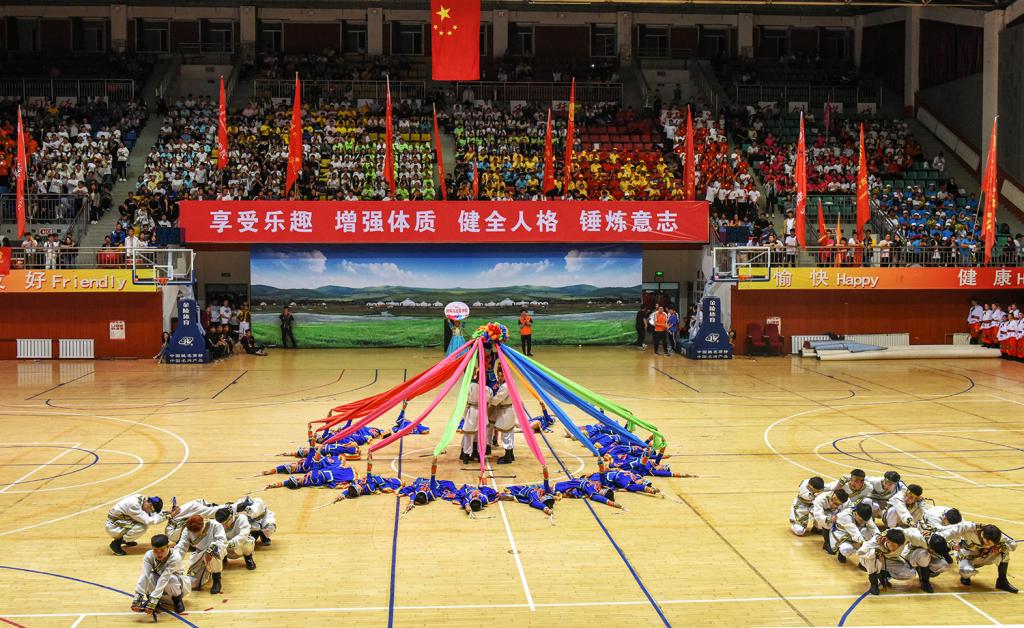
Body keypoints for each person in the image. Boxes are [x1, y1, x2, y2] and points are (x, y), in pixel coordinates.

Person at [940, 520, 1018, 592]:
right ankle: (965, 575)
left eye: (992, 544)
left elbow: (1013, 544)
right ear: (982, 535)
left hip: (985, 555)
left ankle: (1002, 581)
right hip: (968, 556)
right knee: (967, 572)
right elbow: (948, 536)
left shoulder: (997, 535)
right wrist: (952, 545)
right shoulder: (969, 529)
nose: (989, 546)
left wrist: (999, 548)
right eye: (988, 543)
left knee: (1004, 552)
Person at [131, 534, 189, 616]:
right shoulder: (149, 555)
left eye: (162, 550)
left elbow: (164, 578)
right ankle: (155, 601)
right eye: (155, 550)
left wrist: (153, 600)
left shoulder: (175, 557)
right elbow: (145, 575)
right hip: (159, 580)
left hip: (177, 583)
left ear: (168, 547)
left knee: (171, 579)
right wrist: (138, 597)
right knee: (150, 576)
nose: (159, 554)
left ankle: (177, 600)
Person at [174, 514, 227, 595]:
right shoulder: (187, 530)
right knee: (194, 582)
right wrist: (173, 559)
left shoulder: (215, 525)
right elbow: (181, 547)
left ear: (203, 525)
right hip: (199, 554)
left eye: (198, 531)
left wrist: (209, 551)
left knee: (213, 554)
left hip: (217, 550)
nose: (196, 534)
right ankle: (207, 571)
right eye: (193, 532)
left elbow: (222, 541)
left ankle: (217, 579)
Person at [106, 495, 176, 556]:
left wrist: (167, 512)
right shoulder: (134, 505)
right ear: (150, 504)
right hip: (113, 526)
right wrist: (168, 516)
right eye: (152, 510)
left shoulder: (142, 500)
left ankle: (125, 539)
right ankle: (116, 543)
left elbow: (152, 513)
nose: (151, 512)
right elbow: (149, 520)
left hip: (121, 521)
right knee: (142, 526)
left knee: (143, 520)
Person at [460, 369, 493, 464]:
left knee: (469, 435)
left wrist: (465, 414)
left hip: (472, 411)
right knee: (480, 436)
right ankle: (479, 455)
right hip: (481, 412)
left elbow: (465, 399)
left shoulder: (470, 386)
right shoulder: (486, 388)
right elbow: (489, 400)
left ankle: (466, 456)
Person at [489, 367, 516, 464]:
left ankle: (508, 457)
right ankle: (510, 454)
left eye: (502, 376)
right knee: (509, 433)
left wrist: (489, 402)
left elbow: (498, 398)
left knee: (506, 434)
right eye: (499, 375)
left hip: (506, 412)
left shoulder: (505, 386)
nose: (500, 378)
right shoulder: (511, 382)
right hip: (509, 410)